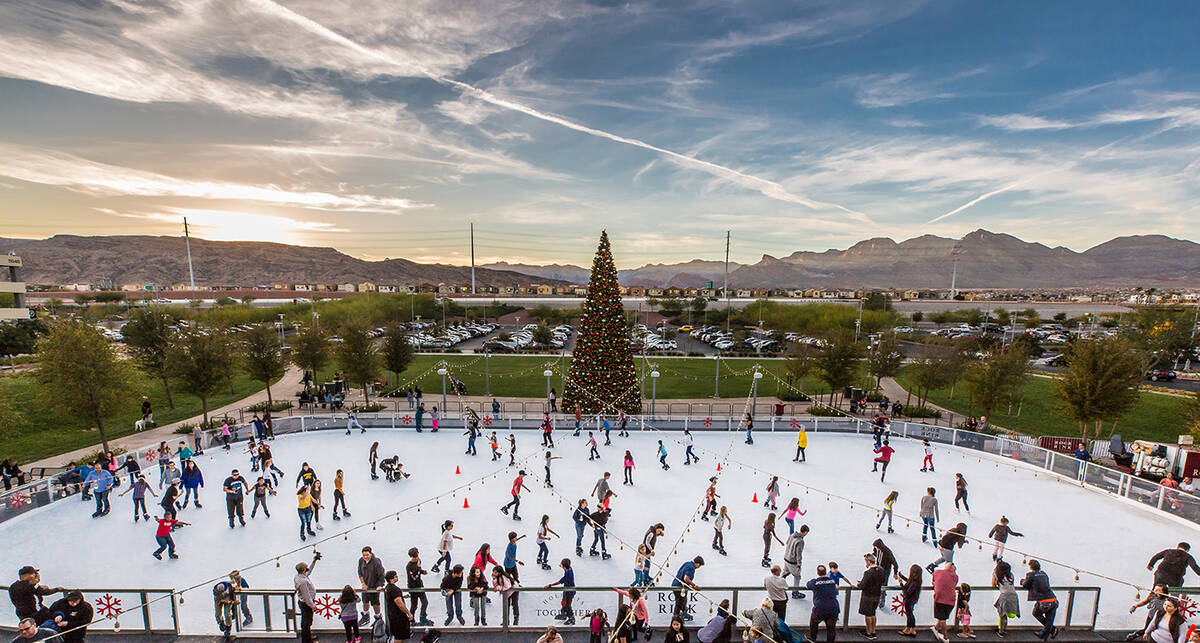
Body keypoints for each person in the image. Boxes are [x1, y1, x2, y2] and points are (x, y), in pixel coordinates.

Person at [1021, 559, 1058, 641]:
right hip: (1053, 599)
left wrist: (1022, 581)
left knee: (1036, 613)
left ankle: (1051, 630)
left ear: (1030, 567)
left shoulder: (1030, 575)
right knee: (1050, 619)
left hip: (1043, 601)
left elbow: (1026, 585)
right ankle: (1046, 634)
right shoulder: (1044, 574)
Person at [807, 565, 840, 643]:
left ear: (817, 572)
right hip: (833, 607)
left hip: (820, 608)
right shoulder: (832, 581)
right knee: (831, 628)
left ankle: (813, 638)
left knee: (814, 622)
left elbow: (808, 585)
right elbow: (836, 586)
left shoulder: (815, 582)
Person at [294, 551, 322, 643]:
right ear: (303, 570)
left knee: (307, 622)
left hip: (304, 603)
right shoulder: (302, 581)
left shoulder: (299, 576)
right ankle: (306, 640)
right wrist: (313, 606)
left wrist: (314, 561)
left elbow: (309, 571)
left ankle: (308, 637)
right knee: (306, 623)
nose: (307, 569)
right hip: (306, 604)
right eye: (306, 568)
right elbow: (306, 595)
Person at [858, 553, 885, 639]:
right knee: (873, 613)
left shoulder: (868, 573)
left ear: (869, 561)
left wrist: (859, 584)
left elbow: (862, 585)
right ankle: (873, 631)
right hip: (877, 595)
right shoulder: (881, 570)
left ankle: (868, 632)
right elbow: (883, 580)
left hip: (868, 596)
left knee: (868, 614)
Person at [931, 561, 958, 643]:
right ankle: (935, 628)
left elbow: (933, 582)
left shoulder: (937, 572)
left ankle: (945, 638)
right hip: (951, 600)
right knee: (943, 617)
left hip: (939, 599)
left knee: (942, 619)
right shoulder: (955, 576)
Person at [405, 548, 433, 626]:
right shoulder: (409, 566)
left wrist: (422, 571)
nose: (416, 558)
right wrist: (418, 569)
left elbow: (419, 571)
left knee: (425, 602)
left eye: (416, 556)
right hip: (413, 587)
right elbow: (414, 577)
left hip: (420, 585)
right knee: (414, 605)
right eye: (414, 557)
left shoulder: (418, 561)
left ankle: (422, 617)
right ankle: (411, 619)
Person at [358, 546, 385, 625]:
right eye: (364, 555)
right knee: (365, 601)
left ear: (371, 553)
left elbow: (381, 574)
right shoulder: (361, 561)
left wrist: (381, 585)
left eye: (367, 555)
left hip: (374, 586)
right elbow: (360, 573)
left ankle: (378, 618)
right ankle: (365, 616)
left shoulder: (376, 562)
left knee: (375, 603)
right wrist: (363, 584)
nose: (365, 557)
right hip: (366, 586)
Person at [671, 556, 703, 621]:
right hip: (681, 588)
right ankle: (676, 617)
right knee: (680, 603)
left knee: (681, 601)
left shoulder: (687, 563)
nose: (698, 567)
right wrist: (694, 586)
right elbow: (686, 578)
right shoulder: (691, 568)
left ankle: (682, 613)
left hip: (675, 584)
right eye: (699, 566)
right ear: (698, 564)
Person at [384, 570, 414, 641]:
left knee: (396, 634)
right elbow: (399, 603)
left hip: (391, 614)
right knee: (399, 636)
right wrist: (409, 613)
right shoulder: (395, 589)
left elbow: (393, 599)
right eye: (395, 576)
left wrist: (402, 597)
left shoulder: (387, 588)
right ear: (391, 579)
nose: (397, 577)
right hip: (398, 616)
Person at [993, 560, 1020, 638]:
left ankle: (1001, 631)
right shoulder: (1011, 575)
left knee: (1002, 614)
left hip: (1004, 596)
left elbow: (993, 584)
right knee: (1006, 614)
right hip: (1014, 595)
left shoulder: (996, 574)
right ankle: (1004, 629)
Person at [545, 558, 576, 625]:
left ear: (564, 566)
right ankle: (564, 614)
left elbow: (559, 582)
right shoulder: (569, 568)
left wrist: (550, 585)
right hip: (566, 590)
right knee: (563, 602)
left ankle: (572, 618)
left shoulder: (568, 574)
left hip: (570, 592)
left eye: (561, 564)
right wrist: (562, 566)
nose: (560, 565)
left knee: (568, 605)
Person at [783, 525, 809, 599]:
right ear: (805, 532)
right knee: (797, 576)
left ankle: (780, 587)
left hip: (786, 558)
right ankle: (795, 592)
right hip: (792, 561)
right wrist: (799, 565)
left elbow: (787, 543)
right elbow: (799, 554)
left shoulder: (792, 535)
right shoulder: (800, 541)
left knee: (784, 574)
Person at [898, 565, 923, 637]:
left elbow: (906, 593)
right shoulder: (917, 580)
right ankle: (912, 629)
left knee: (909, 615)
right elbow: (909, 581)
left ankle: (908, 630)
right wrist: (901, 576)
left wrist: (901, 583)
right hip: (913, 600)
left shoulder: (914, 582)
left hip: (909, 601)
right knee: (910, 614)